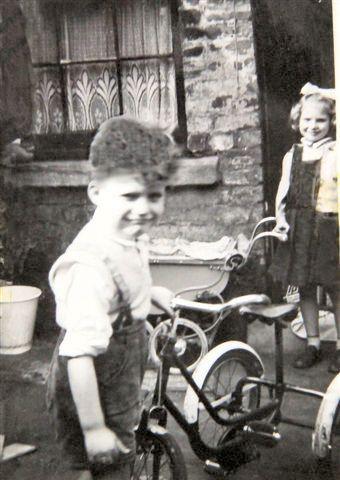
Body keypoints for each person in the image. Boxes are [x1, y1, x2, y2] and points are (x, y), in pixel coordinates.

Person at [47, 116, 178, 480]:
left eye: (154, 195)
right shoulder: (88, 267)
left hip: (118, 368)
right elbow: (77, 355)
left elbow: (121, 282)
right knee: (106, 458)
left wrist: (147, 293)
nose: (143, 208)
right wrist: (93, 427)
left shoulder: (128, 234)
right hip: (90, 377)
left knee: (103, 459)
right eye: (130, 195)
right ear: (96, 193)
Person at [270, 83, 339, 373]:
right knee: (306, 288)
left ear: (332, 122)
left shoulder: (336, 152)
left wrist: (324, 93)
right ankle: (313, 343)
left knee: (337, 287)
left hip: (328, 228)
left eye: (320, 120)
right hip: (299, 228)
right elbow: (282, 193)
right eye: (307, 120)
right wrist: (281, 219)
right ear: (297, 122)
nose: (313, 126)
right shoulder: (292, 155)